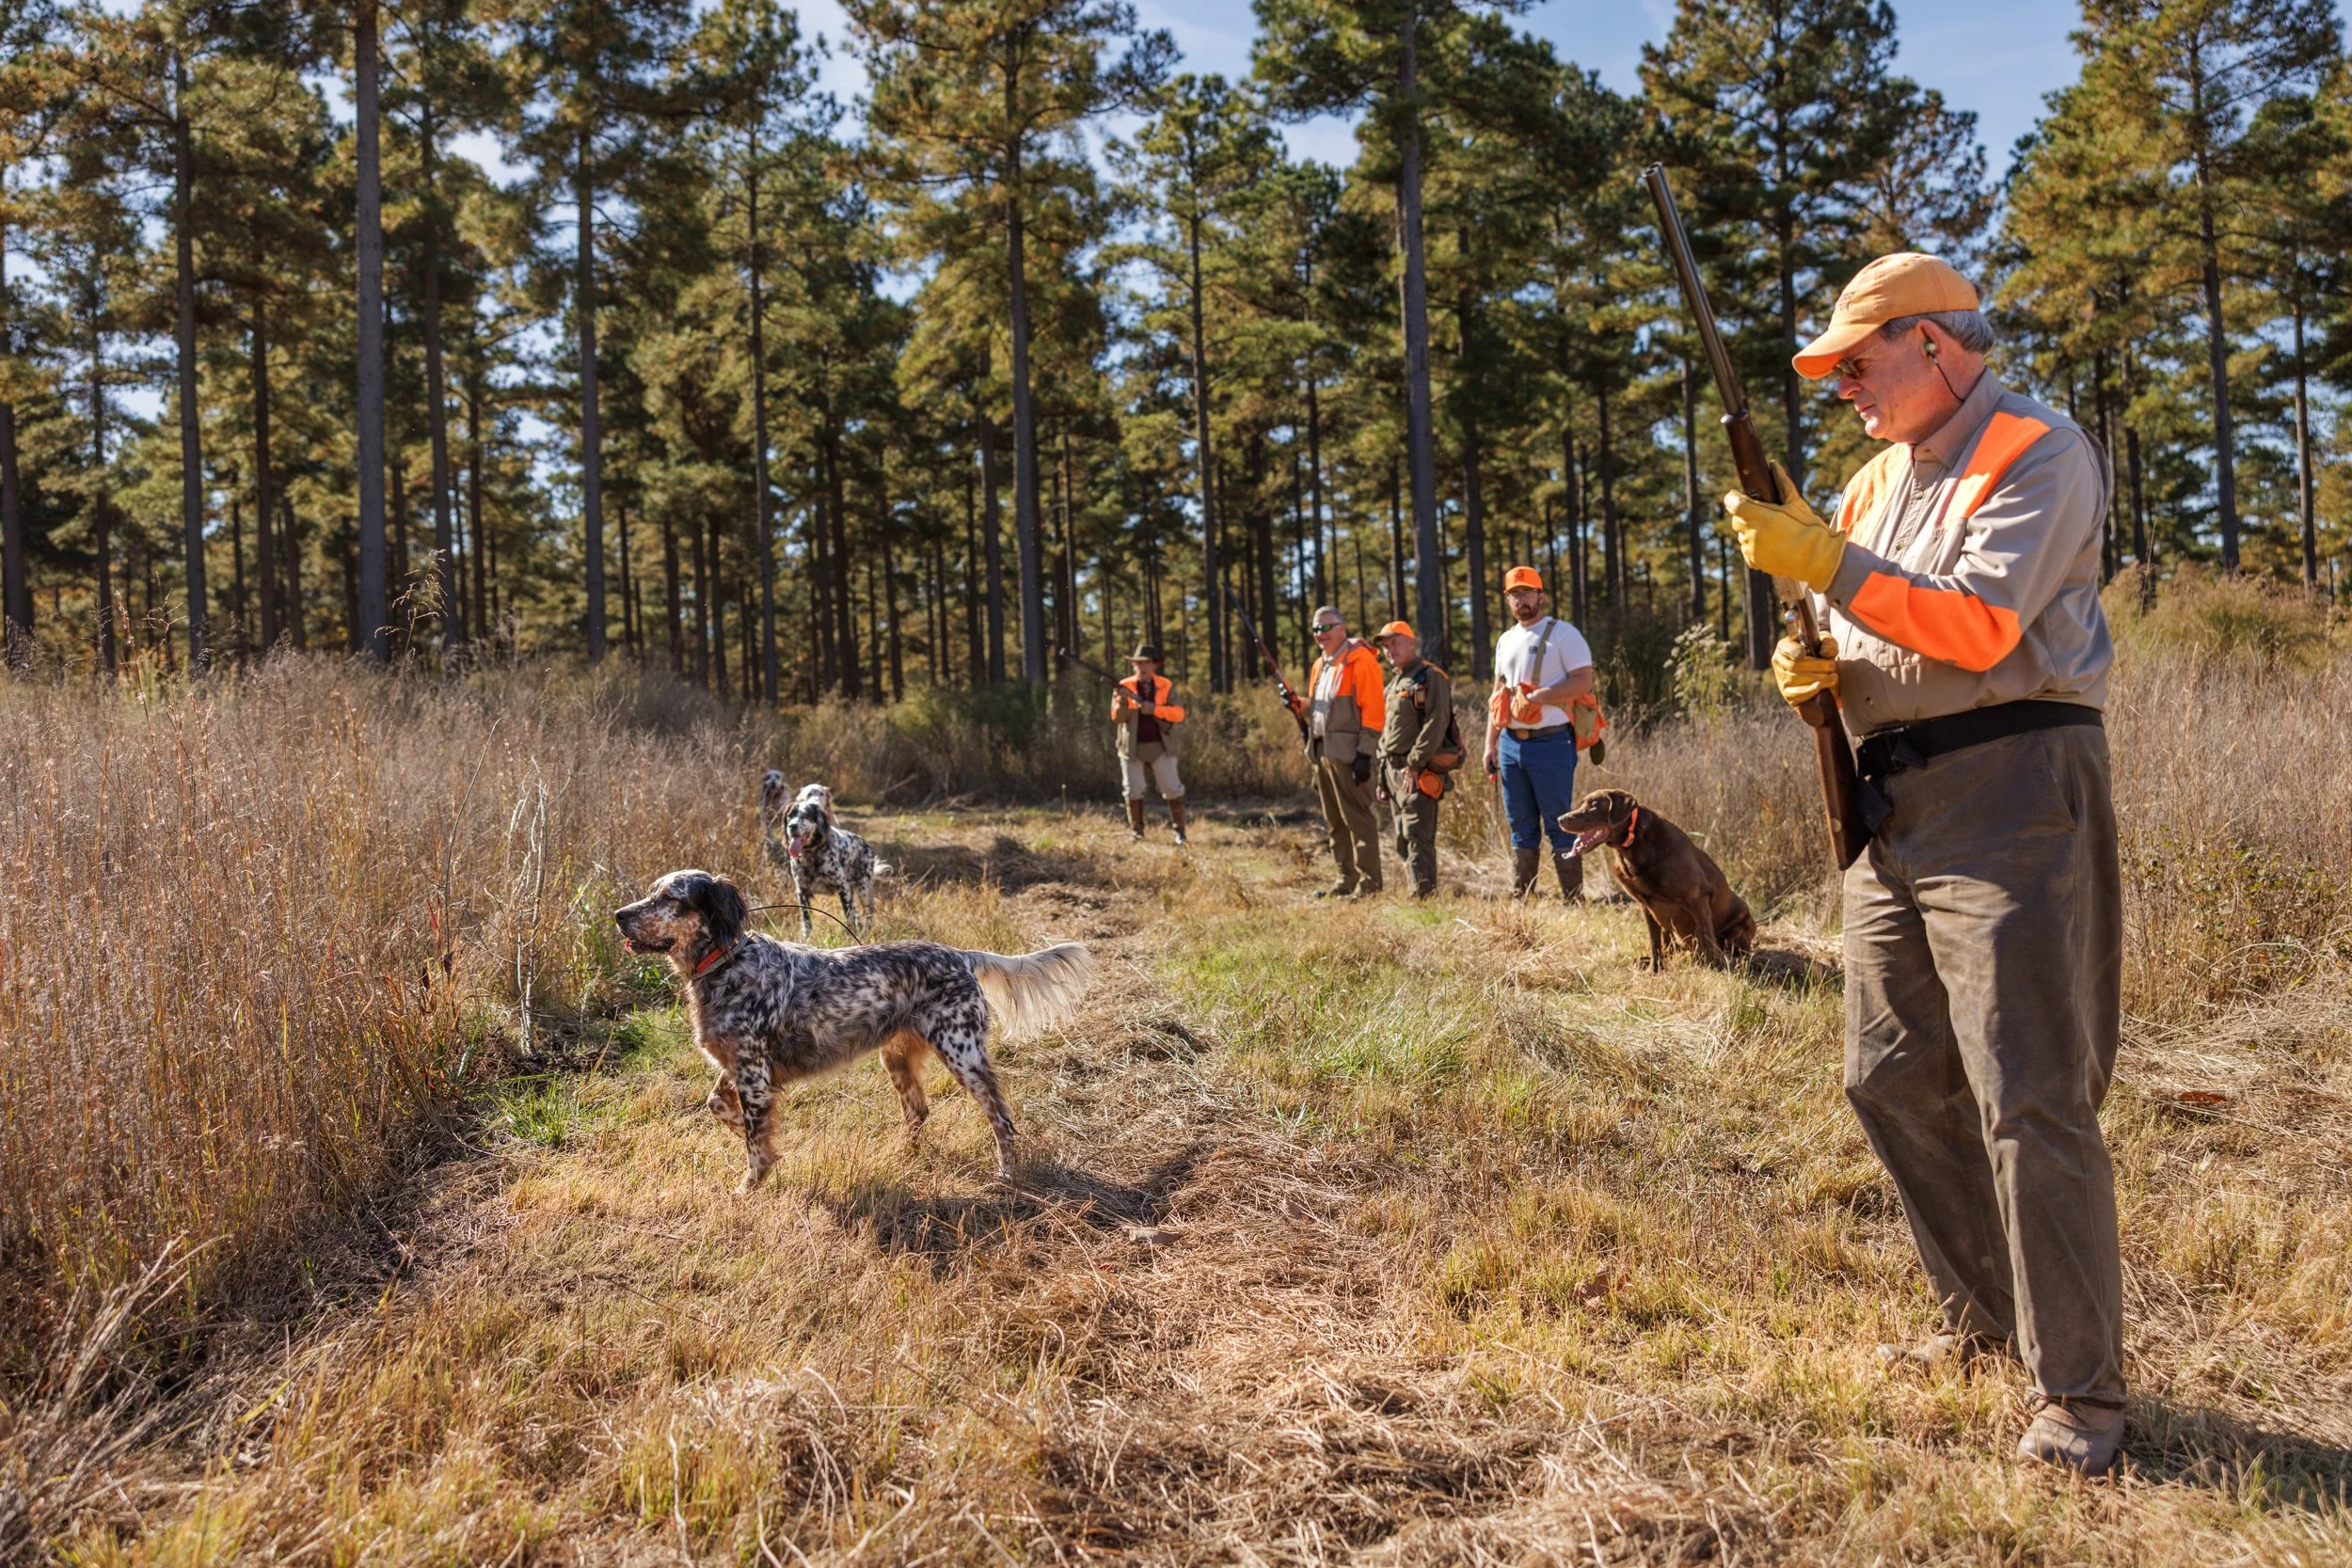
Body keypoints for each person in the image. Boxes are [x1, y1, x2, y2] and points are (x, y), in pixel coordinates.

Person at [1723, 251, 2125, 1475]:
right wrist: (1813, 676)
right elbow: (1857, 626)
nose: (1842, 384)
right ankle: (1988, 1323)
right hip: (1891, 800)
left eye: (1859, 360)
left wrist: (1824, 563)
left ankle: (2084, 1398)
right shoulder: (1864, 485)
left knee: (2030, 1091)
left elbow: (1979, 623)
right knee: (1888, 1074)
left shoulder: (2036, 449)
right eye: (1833, 369)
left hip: (2013, 785)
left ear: (1936, 345)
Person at [1482, 566, 1595, 901]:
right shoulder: (1505, 640)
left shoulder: (1564, 634)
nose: (1521, 600)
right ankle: (1523, 895)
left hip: (1552, 742)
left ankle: (1573, 898)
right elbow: (1497, 695)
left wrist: (1543, 696)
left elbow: (1583, 681)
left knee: (1561, 821)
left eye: (1527, 593)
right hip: (1510, 744)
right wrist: (1490, 744)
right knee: (1520, 824)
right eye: (1515, 595)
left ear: (1541, 596)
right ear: (1509, 600)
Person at [1288, 607, 1386, 898]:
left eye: (1326, 628)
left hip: (1350, 756)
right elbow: (1321, 711)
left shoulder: (1361, 661)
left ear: (1342, 628)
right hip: (1322, 754)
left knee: (1359, 819)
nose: (1321, 635)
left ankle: (1370, 885)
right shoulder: (1320, 664)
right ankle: (1346, 881)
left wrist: (1365, 754)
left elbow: (1374, 712)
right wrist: (1298, 704)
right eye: (1316, 630)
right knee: (1335, 823)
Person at [1372, 622, 1454, 899]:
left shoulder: (1431, 677)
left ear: (1411, 642)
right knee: (1402, 836)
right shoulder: (1394, 684)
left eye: (1395, 642)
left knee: (1418, 834)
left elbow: (1436, 722)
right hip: (1394, 772)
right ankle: (1415, 891)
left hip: (1417, 770)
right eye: (1385, 645)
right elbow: (1387, 734)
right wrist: (1382, 777)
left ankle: (1423, 897)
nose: (1389, 650)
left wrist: (1416, 764)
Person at [1112, 644, 1188, 845]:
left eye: (1146, 662)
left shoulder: (1166, 685)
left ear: (1155, 664)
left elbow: (1179, 714)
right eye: (1138, 663)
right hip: (1131, 748)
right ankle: (1137, 832)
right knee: (1133, 790)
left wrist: (1154, 709)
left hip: (1161, 746)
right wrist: (1121, 700)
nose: (1142, 666)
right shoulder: (1124, 686)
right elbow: (1117, 718)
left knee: (1172, 788)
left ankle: (1180, 832)